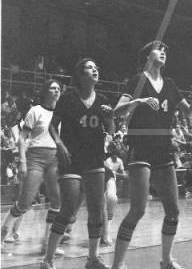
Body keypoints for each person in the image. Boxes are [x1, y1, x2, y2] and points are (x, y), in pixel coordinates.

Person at [111, 41, 192, 269]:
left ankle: (166, 260)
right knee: (138, 209)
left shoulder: (170, 85)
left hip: (163, 150)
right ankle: (118, 264)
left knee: (173, 210)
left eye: (165, 50)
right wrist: (138, 101)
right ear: (147, 55)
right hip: (141, 148)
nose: (163, 52)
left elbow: (189, 113)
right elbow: (117, 111)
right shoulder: (137, 80)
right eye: (159, 49)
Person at [40, 58, 114, 269]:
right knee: (69, 207)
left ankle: (92, 259)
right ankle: (47, 260)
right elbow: (53, 126)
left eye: (96, 67)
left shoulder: (103, 100)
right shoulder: (67, 98)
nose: (95, 70)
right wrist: (60, 144)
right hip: (71, 158)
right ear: (80, 75)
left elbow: (110, 129)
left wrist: (110, 118)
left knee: (96, 209)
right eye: (90, 67)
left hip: (94, 158)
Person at [1, 80, 63, 256]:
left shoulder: (62, 113)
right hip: (35, 157)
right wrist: (22, 160)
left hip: (55, 159)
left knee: (57, 202)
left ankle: (47, 243)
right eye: (53, 87)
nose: (57, 90)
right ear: (45, 91)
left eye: (59, 88)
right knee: (25, 202)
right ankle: (2, 235)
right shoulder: (35, 111)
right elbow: (21, 139)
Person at [101, 147, 127, 246]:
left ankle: (106, 234)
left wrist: (124, 176)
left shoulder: (115, 164)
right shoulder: (107, 162)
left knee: (111, 200)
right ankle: (105, 235)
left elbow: (121, 174)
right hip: (102, 187)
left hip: (109, 185)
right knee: (104, 210)